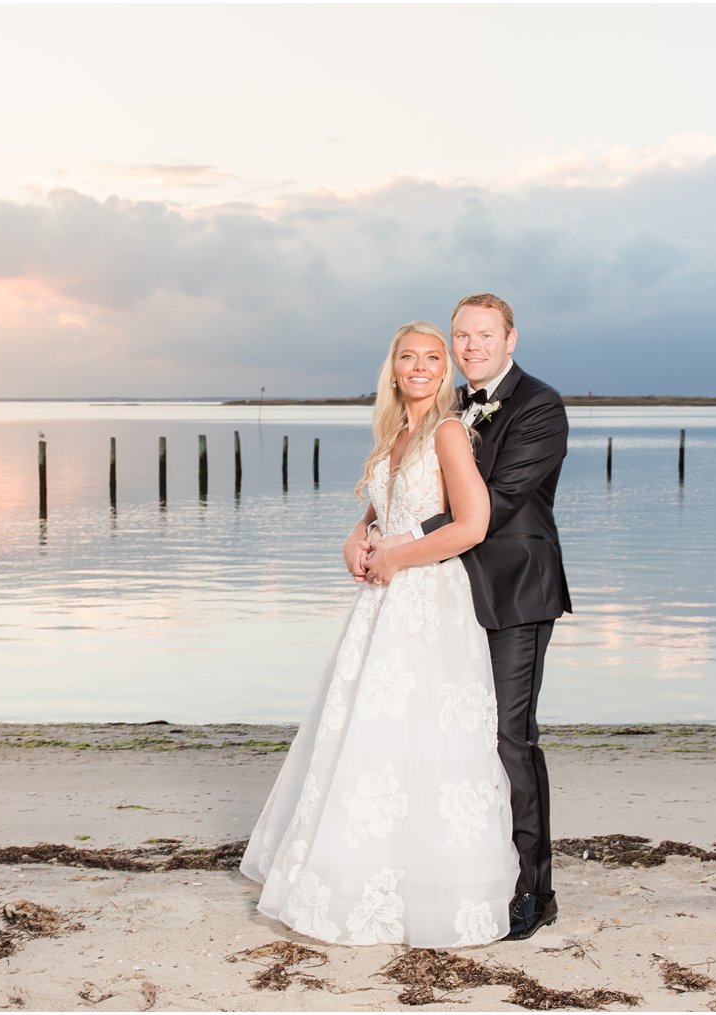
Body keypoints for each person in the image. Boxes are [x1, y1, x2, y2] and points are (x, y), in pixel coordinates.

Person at [239, 321, 519, 947]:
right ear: (393, 369)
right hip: (381, 606)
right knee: (370, 736)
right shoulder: (396, 432)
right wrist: (356, 536)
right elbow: (384, 510)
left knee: (424, 739)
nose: (420, 366)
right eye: (407, 357)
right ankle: (361, 873)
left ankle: (430, 890)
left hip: (427, 602)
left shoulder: (449, 431)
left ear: (445, 371)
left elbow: (472, 525)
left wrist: (398, 557)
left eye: (432, 357)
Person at [364, 293, 570, 941]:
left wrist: (401, 540)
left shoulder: (540, 404)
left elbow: (498, 500)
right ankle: (456, 869)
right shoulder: (446, 406)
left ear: (511, 338)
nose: (472, 346)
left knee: (508, 737)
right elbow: (414, 476)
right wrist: (370, 526)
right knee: (442, 735)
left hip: (511, 591)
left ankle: (534, 888)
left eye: (485, 335)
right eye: (463, 336)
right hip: (442, 592)